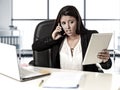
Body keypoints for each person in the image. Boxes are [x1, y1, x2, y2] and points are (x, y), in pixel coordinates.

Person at [32, 5, 112, 72]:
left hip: (86, 82)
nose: (67, 27)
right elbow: (35, 47)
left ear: (77, 21)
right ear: (60, 25)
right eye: (63, 23)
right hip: (62, 81)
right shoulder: (58, 39)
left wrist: (105, 60)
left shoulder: (90, 36)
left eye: (71, 22)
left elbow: (107, 66)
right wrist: (52, 38)